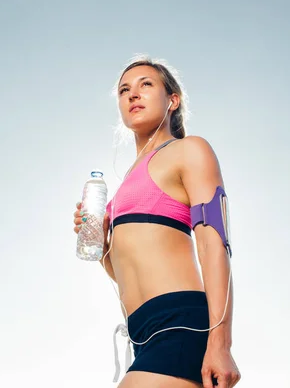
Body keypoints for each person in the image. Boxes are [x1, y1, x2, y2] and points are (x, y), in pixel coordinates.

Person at [72, 56, 241, 388]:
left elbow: (213, 244)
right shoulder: (121, 189)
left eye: (146, 84)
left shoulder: (188, 150)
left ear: (172, 100)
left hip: (180, 324)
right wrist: (102, 245)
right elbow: (125, 273)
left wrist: (220, 343)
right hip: (142, 334)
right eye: (124, 90)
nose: (133, 94)